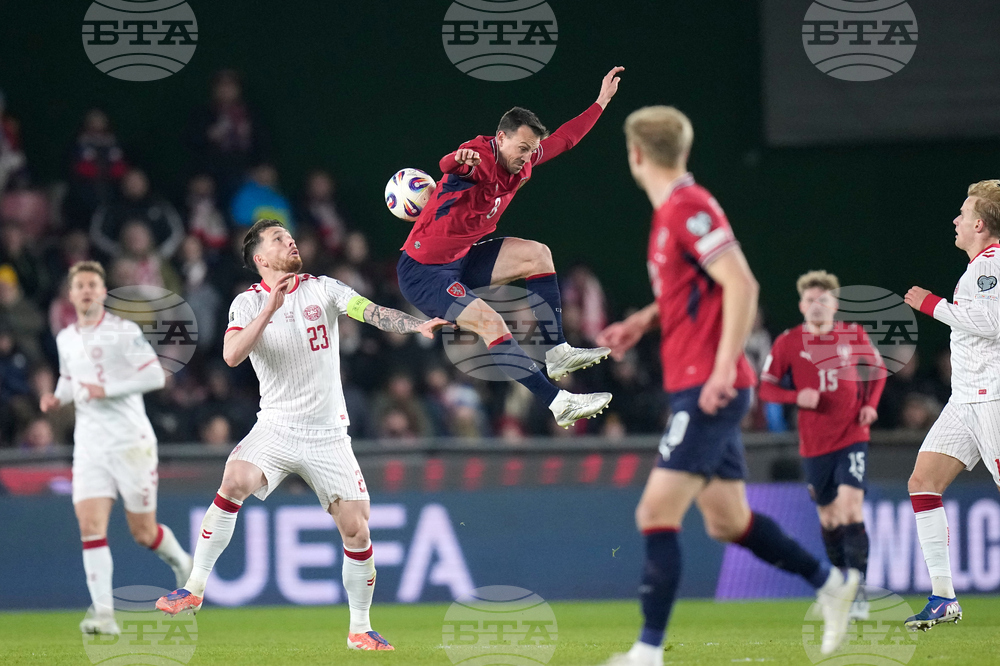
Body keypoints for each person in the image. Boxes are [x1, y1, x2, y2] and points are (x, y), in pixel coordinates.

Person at [595, 106, 860, 665]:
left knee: (654, 513)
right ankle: (831, 584)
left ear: (636, 154)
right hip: (698, 385)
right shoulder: (673, 210)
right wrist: (645, 319)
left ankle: (647, 653)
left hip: (707, 388)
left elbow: (741, 282)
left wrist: (720, 369)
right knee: (728, 522)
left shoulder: (688, 207)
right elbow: (695, 291)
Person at [155, 219, 447, 651]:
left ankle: (359, 629)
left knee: (358, 532)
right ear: (260, 259)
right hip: (275, 426)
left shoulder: (323, 288)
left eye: (290, 235)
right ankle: (195, 587)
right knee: (234, 478)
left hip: (328, 434)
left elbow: (369, 312)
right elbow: (232, 355)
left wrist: (413, 325)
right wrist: (269, 309)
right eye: (278, 239)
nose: (290, 240)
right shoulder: (246, 304)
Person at [396, 67, 626, 429]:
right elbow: (447, 163)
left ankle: (557, 352)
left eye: (531, 149)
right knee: (490, 321)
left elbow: (565, 140)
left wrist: (600, 102)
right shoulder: (479, 157)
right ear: (500, 138)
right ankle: (558, 402)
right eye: (521, 148)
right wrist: (460, 160)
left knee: (538, 254)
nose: (526, 156)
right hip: (423, 271)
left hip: (461, 258)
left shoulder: (524, 160)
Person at [39, 261, 192, 636]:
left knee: (143, 532)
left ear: (103, 292)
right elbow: (68, 377)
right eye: (81, 285)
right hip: (90, 447)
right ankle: (104, 616)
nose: (87, 290)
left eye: (94, 284)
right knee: (90, 526)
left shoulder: (123, 332)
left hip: (130, 443)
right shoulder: (65, 338)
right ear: (71, 294)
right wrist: (55, 399)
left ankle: (184, 564)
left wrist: (104, 390)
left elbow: (155, 375)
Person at [902, 179, 1000, 630]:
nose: (956, 219)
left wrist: (931, 304)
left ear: (980, 224)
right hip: (965, 399)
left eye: (963, 213)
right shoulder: (979, 266)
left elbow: (991, 322)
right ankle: (943, 598)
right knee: (922, 481)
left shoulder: (992, 264)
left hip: (993, 398)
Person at [758, 270, 886, 618]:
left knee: (851, 509)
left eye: (823, 300)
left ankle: (858, 590)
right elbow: (766, 387)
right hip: (814, 444)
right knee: (829, 521)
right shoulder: (788, 342)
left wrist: (870, 406)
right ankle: (841, 584)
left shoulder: (852, 334)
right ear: (801, 305)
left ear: (835, 304)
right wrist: (797, 395)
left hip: (852, 435)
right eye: (811, 300)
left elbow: (877, 371)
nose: (817, 306)